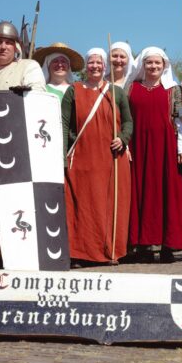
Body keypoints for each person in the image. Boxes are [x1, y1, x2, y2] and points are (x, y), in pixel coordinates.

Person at [62, 48, 133, 266]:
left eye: (99, 62)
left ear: (105, 66)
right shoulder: (73, 91)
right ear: (86, 65)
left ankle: (111, 251)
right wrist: (63, 155)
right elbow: (63, 123)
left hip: (112, 159)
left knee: (111, 205)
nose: (95, 66)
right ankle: (80, 254)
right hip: (82, 156)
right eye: (91, 62)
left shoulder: (116, 91)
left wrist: (123, 138)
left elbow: (129, 121)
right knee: (82, 206)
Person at [127, 47, 182, 263]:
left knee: (168, 194)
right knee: (141, 194)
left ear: (164, 65)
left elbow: (180, 121)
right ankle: (143, 245)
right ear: (142, 65)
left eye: (157, 63)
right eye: (149, 63)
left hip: (165, 147)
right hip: (138, 147)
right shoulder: (131, 88)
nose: (153, 66)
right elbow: (125, 120)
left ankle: (168, 245)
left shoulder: (173, 90)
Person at [0, 21, 46, 92]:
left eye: (8, 43)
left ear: (16, 47)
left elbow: (37, 93)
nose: (3, 47)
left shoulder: (28, 67)